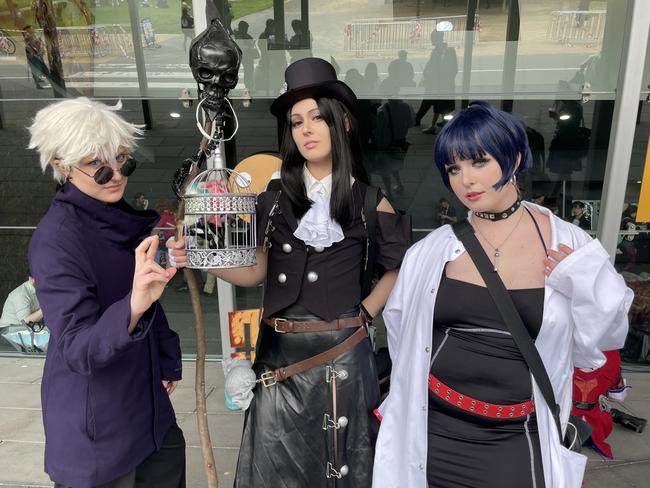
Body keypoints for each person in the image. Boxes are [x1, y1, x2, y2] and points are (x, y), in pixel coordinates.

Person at [168, 57, 410, 487]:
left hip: (342, 357)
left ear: (343, 124)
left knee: (339, 470)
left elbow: (396, 270)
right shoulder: (273, 198)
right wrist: (206, 260)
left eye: (318, 117)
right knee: (275, 473)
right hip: (277, 355)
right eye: (297, 122)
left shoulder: (372, 202)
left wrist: (364, 317)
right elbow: (256, 272)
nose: (307, 129)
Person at [373, 101, 632, 488]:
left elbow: (603, 340)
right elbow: (400, 329)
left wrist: (586, 284)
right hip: (431, 430)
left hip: (518, 434)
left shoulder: (569, 245)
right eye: (454, 169)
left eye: (479, 162)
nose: (466, 181)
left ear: (512, 157)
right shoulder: (432, 250)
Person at [27, 97, 185, 488]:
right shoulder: (57, 241)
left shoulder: (114, 216)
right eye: (96, 165)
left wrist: (165, 356)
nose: (114, 174)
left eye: (121, 160)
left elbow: (138, 294)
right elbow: (77, 346)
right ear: (63, 166)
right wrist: (134, 302)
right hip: (98, 427)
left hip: (149, 412)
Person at [416, 30, 458, 134]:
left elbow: (438, 67)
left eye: (433, 38)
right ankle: (440, 123)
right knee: (440, 104)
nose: (432, 40)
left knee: (435, 103)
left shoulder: (444, 51)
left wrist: (430, 75)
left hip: (439, 83)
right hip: (441, 83)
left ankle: (432, 125)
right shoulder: (443, 51)